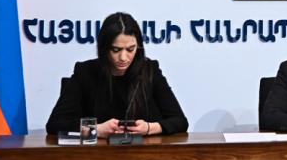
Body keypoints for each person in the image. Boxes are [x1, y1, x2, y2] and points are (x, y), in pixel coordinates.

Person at [46, 12, 188, 137]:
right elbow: (55, 124)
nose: (123, 58)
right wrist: (97, 130)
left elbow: (180, 121)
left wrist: (149, 128)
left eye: (130, 49)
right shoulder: (85, 72)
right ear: (104, 48)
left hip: (144, 156)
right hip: (95, 157)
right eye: (116, 50)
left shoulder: (150, 70)